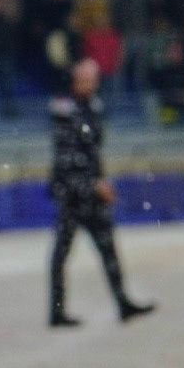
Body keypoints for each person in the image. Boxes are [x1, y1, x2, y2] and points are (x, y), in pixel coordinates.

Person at [48, 57, 154, 327]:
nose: (93, 84)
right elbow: (68, 156)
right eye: (88, 79)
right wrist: (93, 184)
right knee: (62, 254)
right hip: (73, 194)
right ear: (76, 80)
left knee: (107, 250)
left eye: (95, 79)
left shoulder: (93, 106)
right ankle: (57, 312)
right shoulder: (64, 108)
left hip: (91, 191)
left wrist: (99, 181)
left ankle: (122, 303)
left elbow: (92, 151)